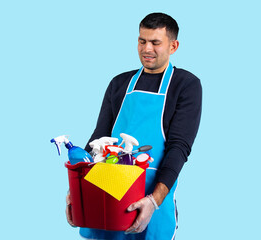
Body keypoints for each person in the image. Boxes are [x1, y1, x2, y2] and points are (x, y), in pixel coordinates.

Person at [65, 13, 202, 240]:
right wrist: (78, 193)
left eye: (155, 43)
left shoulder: (186, 85)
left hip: (152, 200)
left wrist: (153, 201)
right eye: (142, 41)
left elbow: (179, 148)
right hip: (107, 198)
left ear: (173, 46)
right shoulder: (119, 84)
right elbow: (98, 138)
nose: (147, 49)